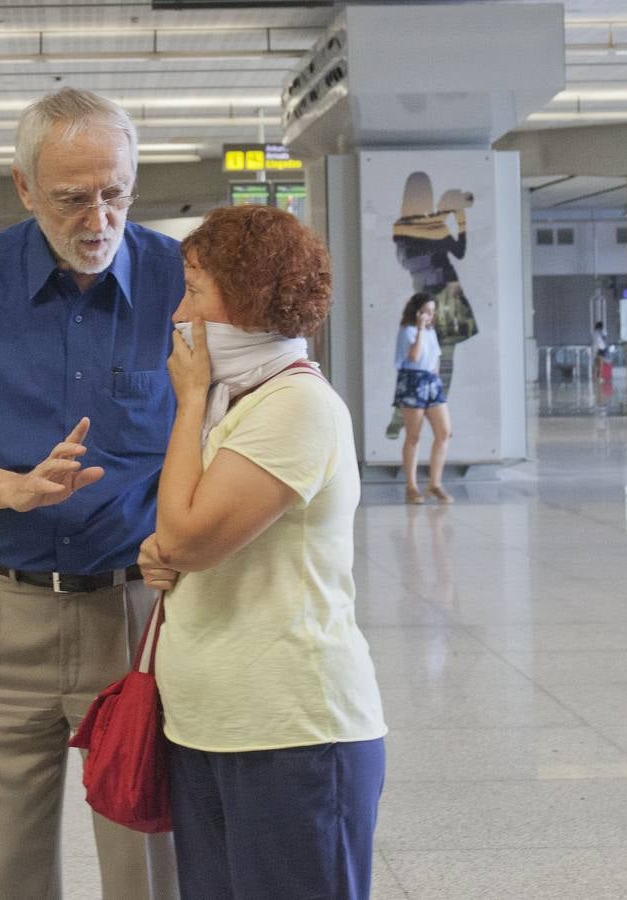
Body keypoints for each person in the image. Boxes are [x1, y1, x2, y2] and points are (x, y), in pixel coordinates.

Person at [0, 87, 181, 900]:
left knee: (147, 871)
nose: (98, 219)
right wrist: (11, 489)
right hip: (1, 618)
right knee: (6, 870)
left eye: (116, 194)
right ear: (25, 189)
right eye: (71, 199)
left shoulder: (180, 282)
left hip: (137, 618)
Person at [139, 205, 387, 899]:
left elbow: (187, 534)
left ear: (245, 299)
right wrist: (166, 551)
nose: (178, 315)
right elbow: (184, 536)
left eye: (194, 290)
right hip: (211, 723)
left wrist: (186, 404)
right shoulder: (233, 402)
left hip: (290, 730)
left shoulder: (295, 407)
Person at [387, 172, 476, 439]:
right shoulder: (429, 225)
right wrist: (456, 218)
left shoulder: (402, 226)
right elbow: (457, 252)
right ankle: (421, 416)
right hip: (446, 294)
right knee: (440, 359)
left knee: (422, 360)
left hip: (425, 296)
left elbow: (414, 259)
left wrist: (453, 216)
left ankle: (402, 419)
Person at [394, 292, 453, 503]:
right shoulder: (408, 331)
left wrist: (435, 381)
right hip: (412, 381)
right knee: (414, 435)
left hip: (431, 382)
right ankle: (411, 487)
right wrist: (419, 328)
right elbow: (414, 356)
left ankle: (435, 483)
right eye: (426, 312)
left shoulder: (431, 332)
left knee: (444, 432)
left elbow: (435, 358)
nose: (429, 316)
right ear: (417, 312)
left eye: (432, 312)